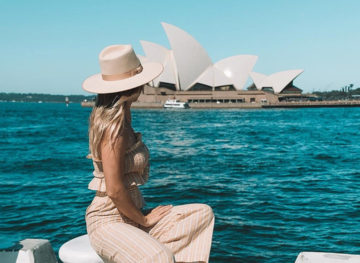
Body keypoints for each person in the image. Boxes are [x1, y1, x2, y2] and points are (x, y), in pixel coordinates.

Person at [83, 44, 215, 263]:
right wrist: (144, 221)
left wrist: (140, 218)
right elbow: (115, 190)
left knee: (201, 214)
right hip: (109, 221)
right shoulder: (113, 129)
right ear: (133, 86)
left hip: (132, 215)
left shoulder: (124, 118)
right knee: (159, 257)